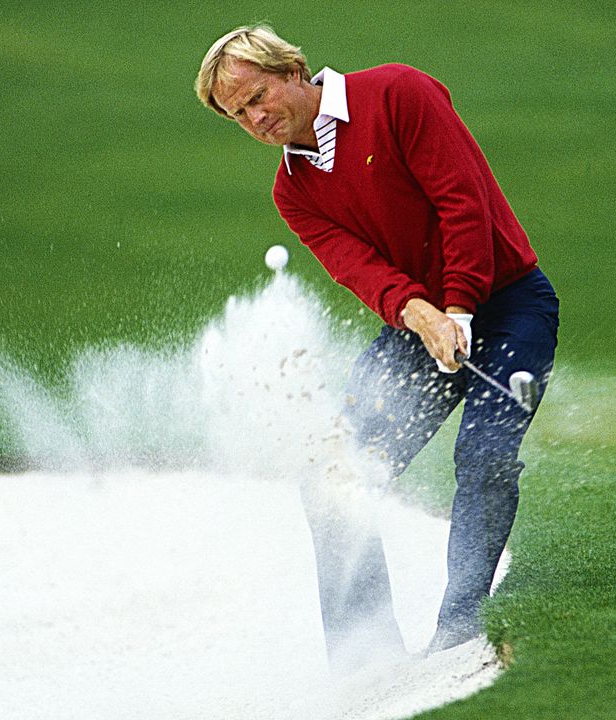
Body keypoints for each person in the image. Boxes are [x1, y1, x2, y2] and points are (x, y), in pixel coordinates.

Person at [195, 25, 559, 665]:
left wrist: (460, 307)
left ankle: (459, 631)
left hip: (508, 301)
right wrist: (425, 317)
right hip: (420, 327)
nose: (255, 118)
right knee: (332, 476)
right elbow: (361, 271)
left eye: (258, 96)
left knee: (484, 456)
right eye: (238, 113)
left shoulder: (396, 93)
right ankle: (364, 655)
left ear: (291, 70)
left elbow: (462, 203)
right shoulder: (293, 191)